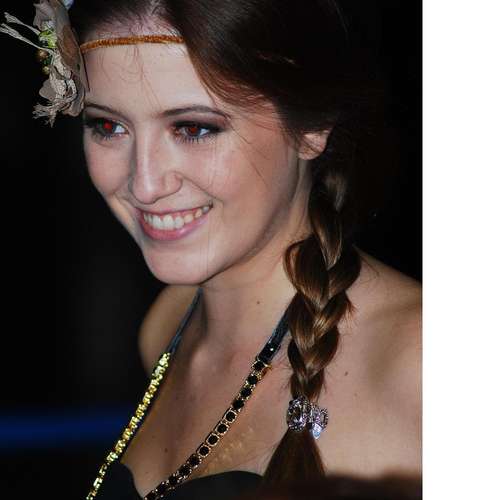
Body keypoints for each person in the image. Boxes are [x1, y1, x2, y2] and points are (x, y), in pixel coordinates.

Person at [1, 1, 421, 499]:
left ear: (312, 124)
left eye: (194, 128)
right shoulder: (167, 324)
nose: (145, 183)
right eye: (108, 126)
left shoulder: (422, 363)